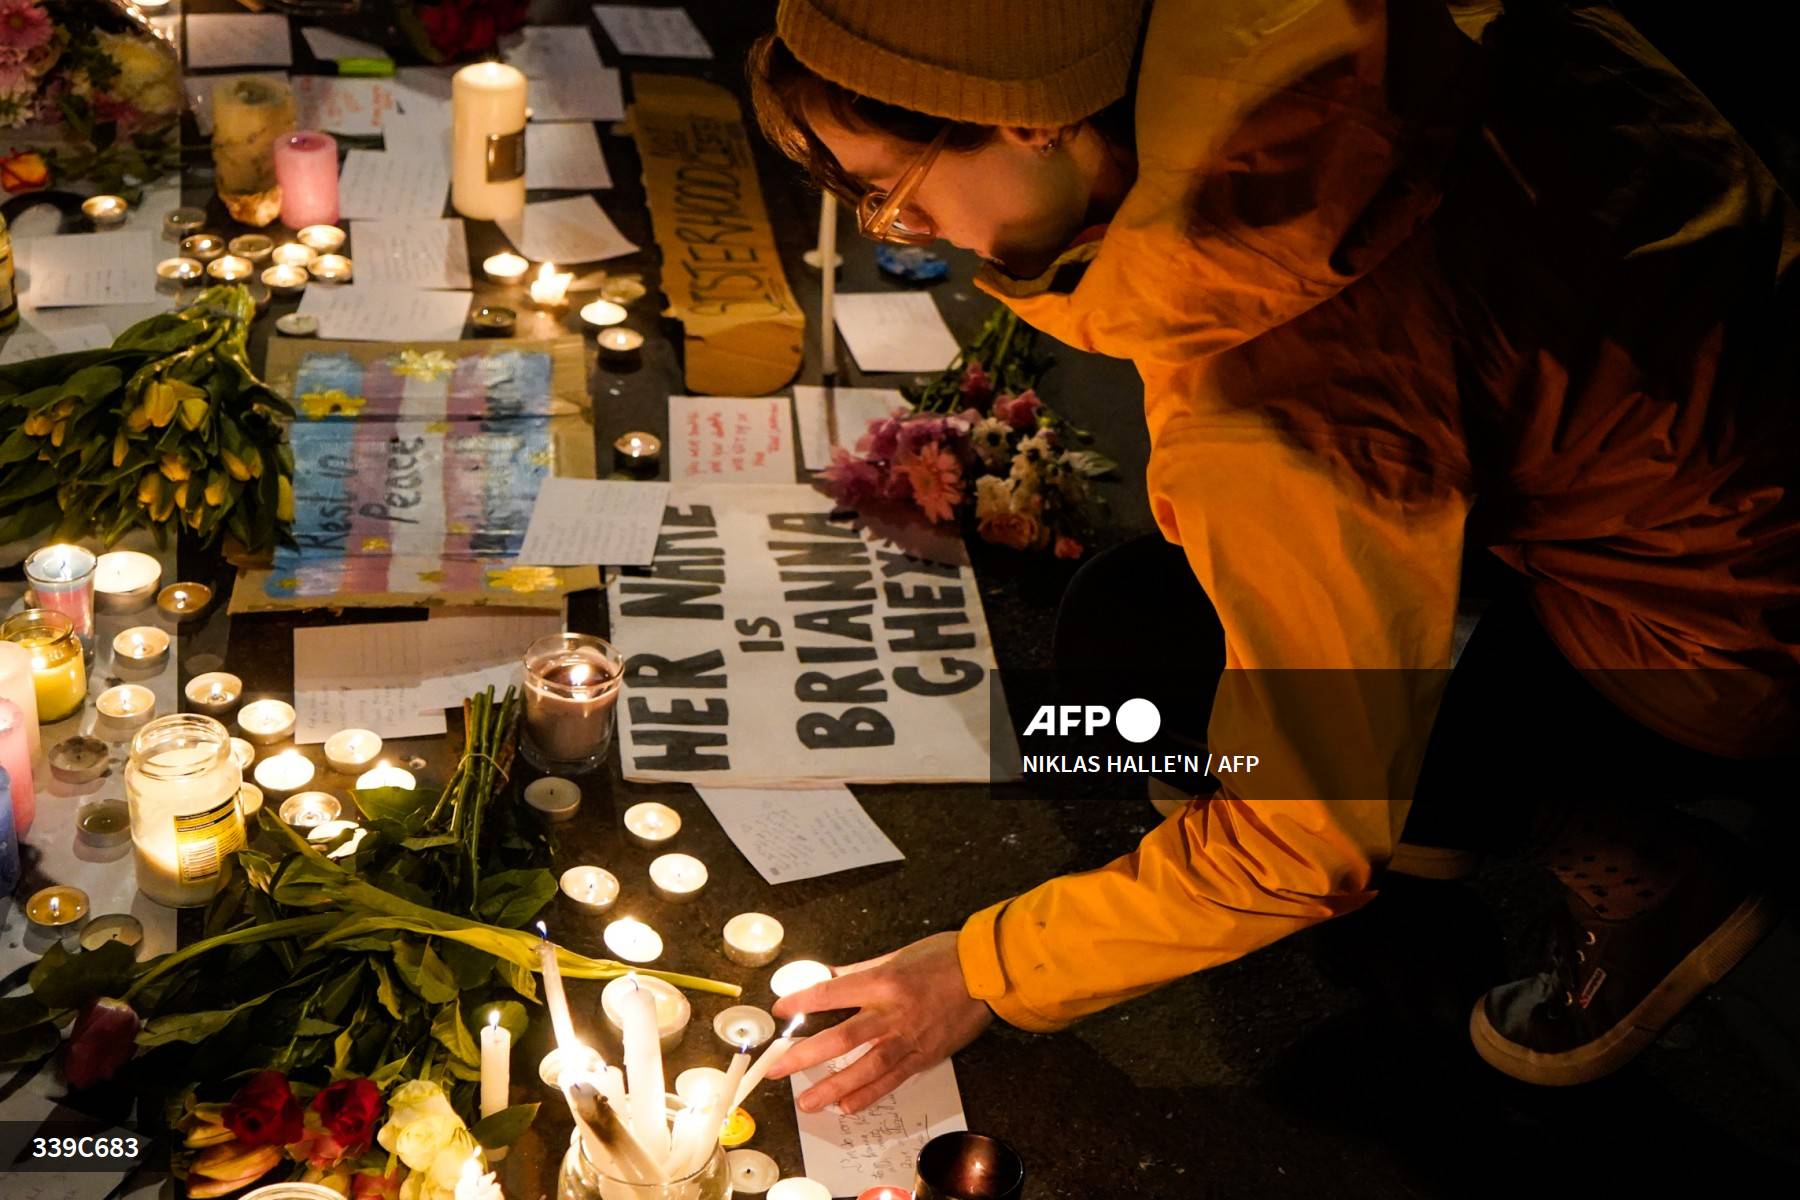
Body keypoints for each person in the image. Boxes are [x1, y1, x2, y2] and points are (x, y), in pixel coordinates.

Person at [748, 0, 1798, 1114]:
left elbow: (1303, 836)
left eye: (896, 195)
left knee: (1190, 708)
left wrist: (978, 970)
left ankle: (1651, 874)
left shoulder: (1275, 358)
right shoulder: (1332, 43)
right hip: (1703, 445)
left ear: (1025, 119)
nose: (889, 230)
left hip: (1728, 631)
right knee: (1133, 642)